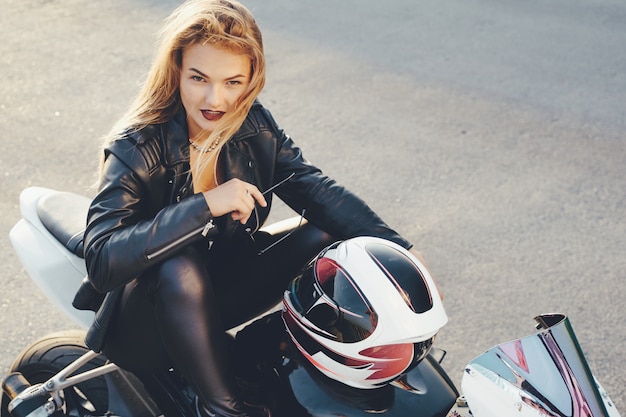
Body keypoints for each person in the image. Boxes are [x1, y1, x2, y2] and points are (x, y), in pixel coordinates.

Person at [80, 1, 438, 416]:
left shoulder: (255, 127)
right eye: (199, 78)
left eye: (233, 82)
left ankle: (301, 353)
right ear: (176, 70)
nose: (216, 98)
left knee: (328, 232)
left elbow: (315, 190)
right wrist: (205, 205)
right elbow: (102, 259)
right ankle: (221, 408)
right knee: (177, 263)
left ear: (251, 80)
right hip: (147, 322)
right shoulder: (136, 147)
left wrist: (400, 248)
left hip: (220, 294)